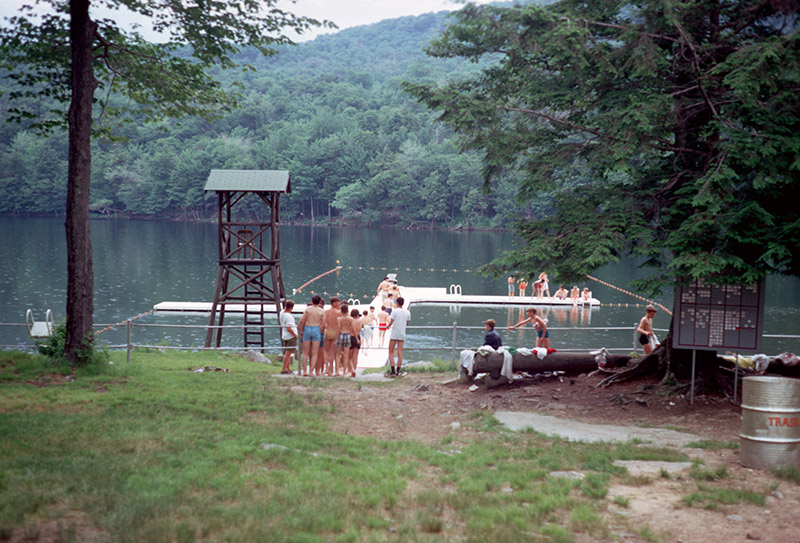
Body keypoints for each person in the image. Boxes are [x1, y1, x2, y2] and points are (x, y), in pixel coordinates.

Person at [297, 294, 324, 376]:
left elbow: (302, 320)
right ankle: (311, 371)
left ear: (312, 301)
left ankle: (304, 371)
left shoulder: (308, 309)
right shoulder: (322, 311)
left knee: (305, 352)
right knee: (315, 352)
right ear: (319, 302)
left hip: (308, 328)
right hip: (316, 328)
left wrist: (301, 330)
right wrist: (320, 330)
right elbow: (323, 323)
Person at [387, 296, 411, 376]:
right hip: (402, 333)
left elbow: (391, 322)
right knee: (400, 352)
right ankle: (398, 370)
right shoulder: (407, 312)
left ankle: (392, 370)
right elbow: (406, 323)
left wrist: (387, 326)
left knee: (390, 351)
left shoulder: (394, 311)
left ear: (397, 303)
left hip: (394, 333)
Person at [321, 297, 341, 376]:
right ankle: (330, 370)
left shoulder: (326, 312)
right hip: (335, 332)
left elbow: (323, 323)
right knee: (332, 352)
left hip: (327, 331)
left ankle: (327, 368)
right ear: (334, 303)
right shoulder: (339, 313)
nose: (339, 304)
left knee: (326, 352)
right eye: (338, 302)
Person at [280, 300, 298, 374]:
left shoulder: (281, 313)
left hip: (284, 335)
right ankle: (283, 369)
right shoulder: (288, 316)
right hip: (290, 336)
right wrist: (294, 335)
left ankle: (288, 368)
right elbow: (289, 328)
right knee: (288, 354)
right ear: (291, 307)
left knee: (287, 353)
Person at [335, 305, 352, 376]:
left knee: (337, 354)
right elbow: (351, 328)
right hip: (347, 334)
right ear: (348, 311)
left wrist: (335, 338)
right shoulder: (350, 319)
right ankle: (345, 371)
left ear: (341, 311)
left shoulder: (339, 319)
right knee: (346, 355)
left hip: (341, 334)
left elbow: (338, 328)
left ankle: (337, 371)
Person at [348, 308, 362, 377]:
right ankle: (355, 369)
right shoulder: (360, 321)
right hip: (358, 337)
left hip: (351, 337)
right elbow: (362, 327)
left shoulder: (350, 321)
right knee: (355, 356)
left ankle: (351, 370)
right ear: (357, 315)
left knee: (349, 356)